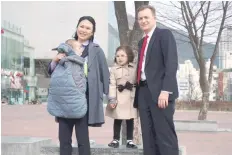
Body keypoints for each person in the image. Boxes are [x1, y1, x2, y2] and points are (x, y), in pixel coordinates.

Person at [48, 16, 109, 155]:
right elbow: (53, 71)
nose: (84, 30)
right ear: (77, 27)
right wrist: (55, 60)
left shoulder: (96, 50)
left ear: (93, 32)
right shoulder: (66, 46)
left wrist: (110, 96)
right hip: (66, 97)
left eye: (88, 28)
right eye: (81, 26)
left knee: (83, 138)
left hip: (85, 97)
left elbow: (104, 73)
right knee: (64, 138)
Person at [134, 5, 179, 155]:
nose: (143, 21)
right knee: (147, 136)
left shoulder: (164, 35)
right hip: (143, 92)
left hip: (161, 93)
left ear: (154, 18)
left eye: (146, 17)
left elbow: (171, 64)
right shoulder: (142, 42)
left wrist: (166, 91)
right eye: (140, 18)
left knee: (164, 135)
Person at [105, 46, 138, 149]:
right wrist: (112, 99)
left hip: (131, 98)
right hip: (118, 98)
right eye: (118, 56)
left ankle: (130, 140)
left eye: (123, 55)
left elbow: (137, 82)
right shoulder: (114, 69)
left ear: (129, 56)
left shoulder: (134, 68)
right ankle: (115, 139)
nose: (120, 58)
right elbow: (112, 85)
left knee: (130, 119)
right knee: (117, 119)